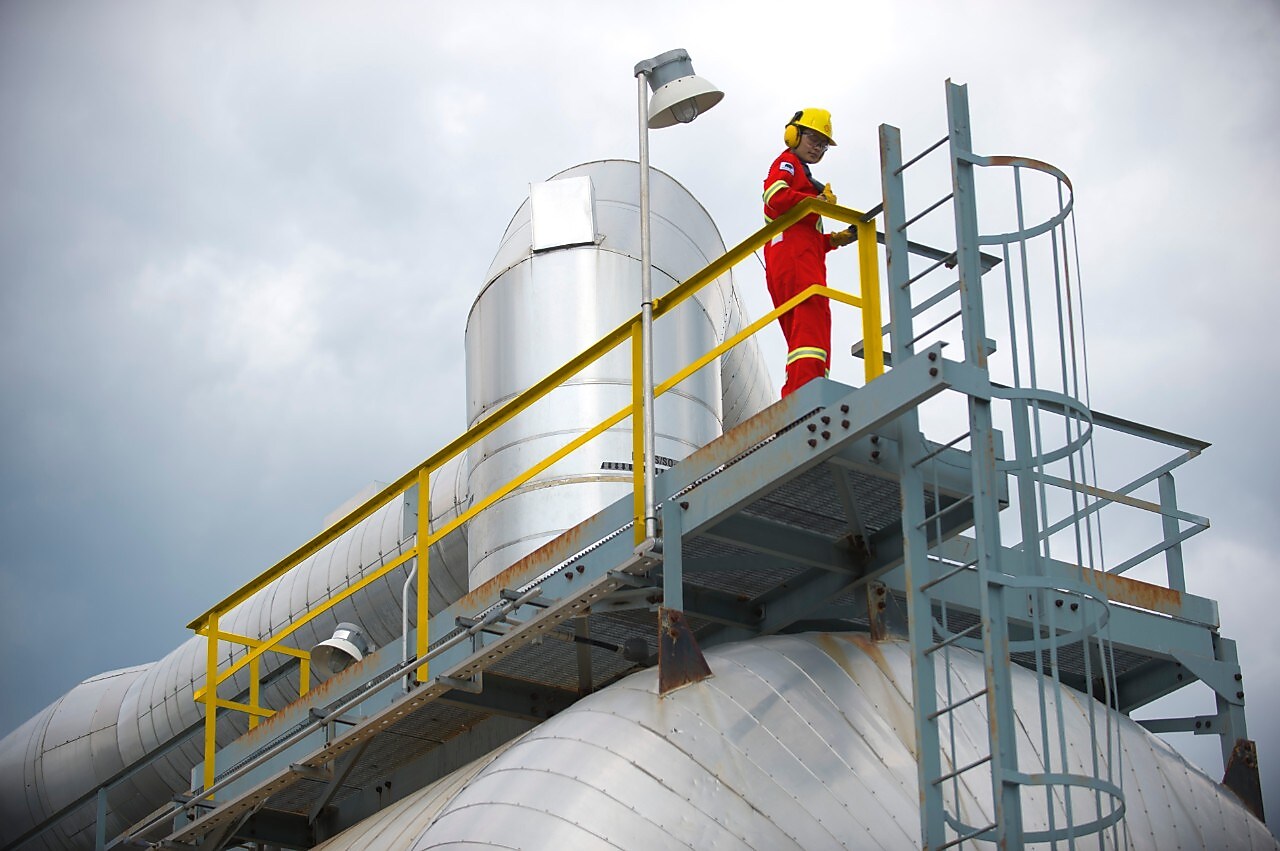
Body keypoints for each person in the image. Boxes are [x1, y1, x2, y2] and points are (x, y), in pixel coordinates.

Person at [762, 108, 855, 397]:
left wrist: (834, 240)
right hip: (795, 263)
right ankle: (807, 394)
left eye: (823, 145)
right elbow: (775, 197)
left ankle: (799, 390)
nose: (818, 148)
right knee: (811, 325)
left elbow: (806, 237)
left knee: (802, 331)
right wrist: (816, 199)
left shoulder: (800, 176)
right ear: (793, 135)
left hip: (794, 259)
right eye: (814, 139)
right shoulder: (788, 162)